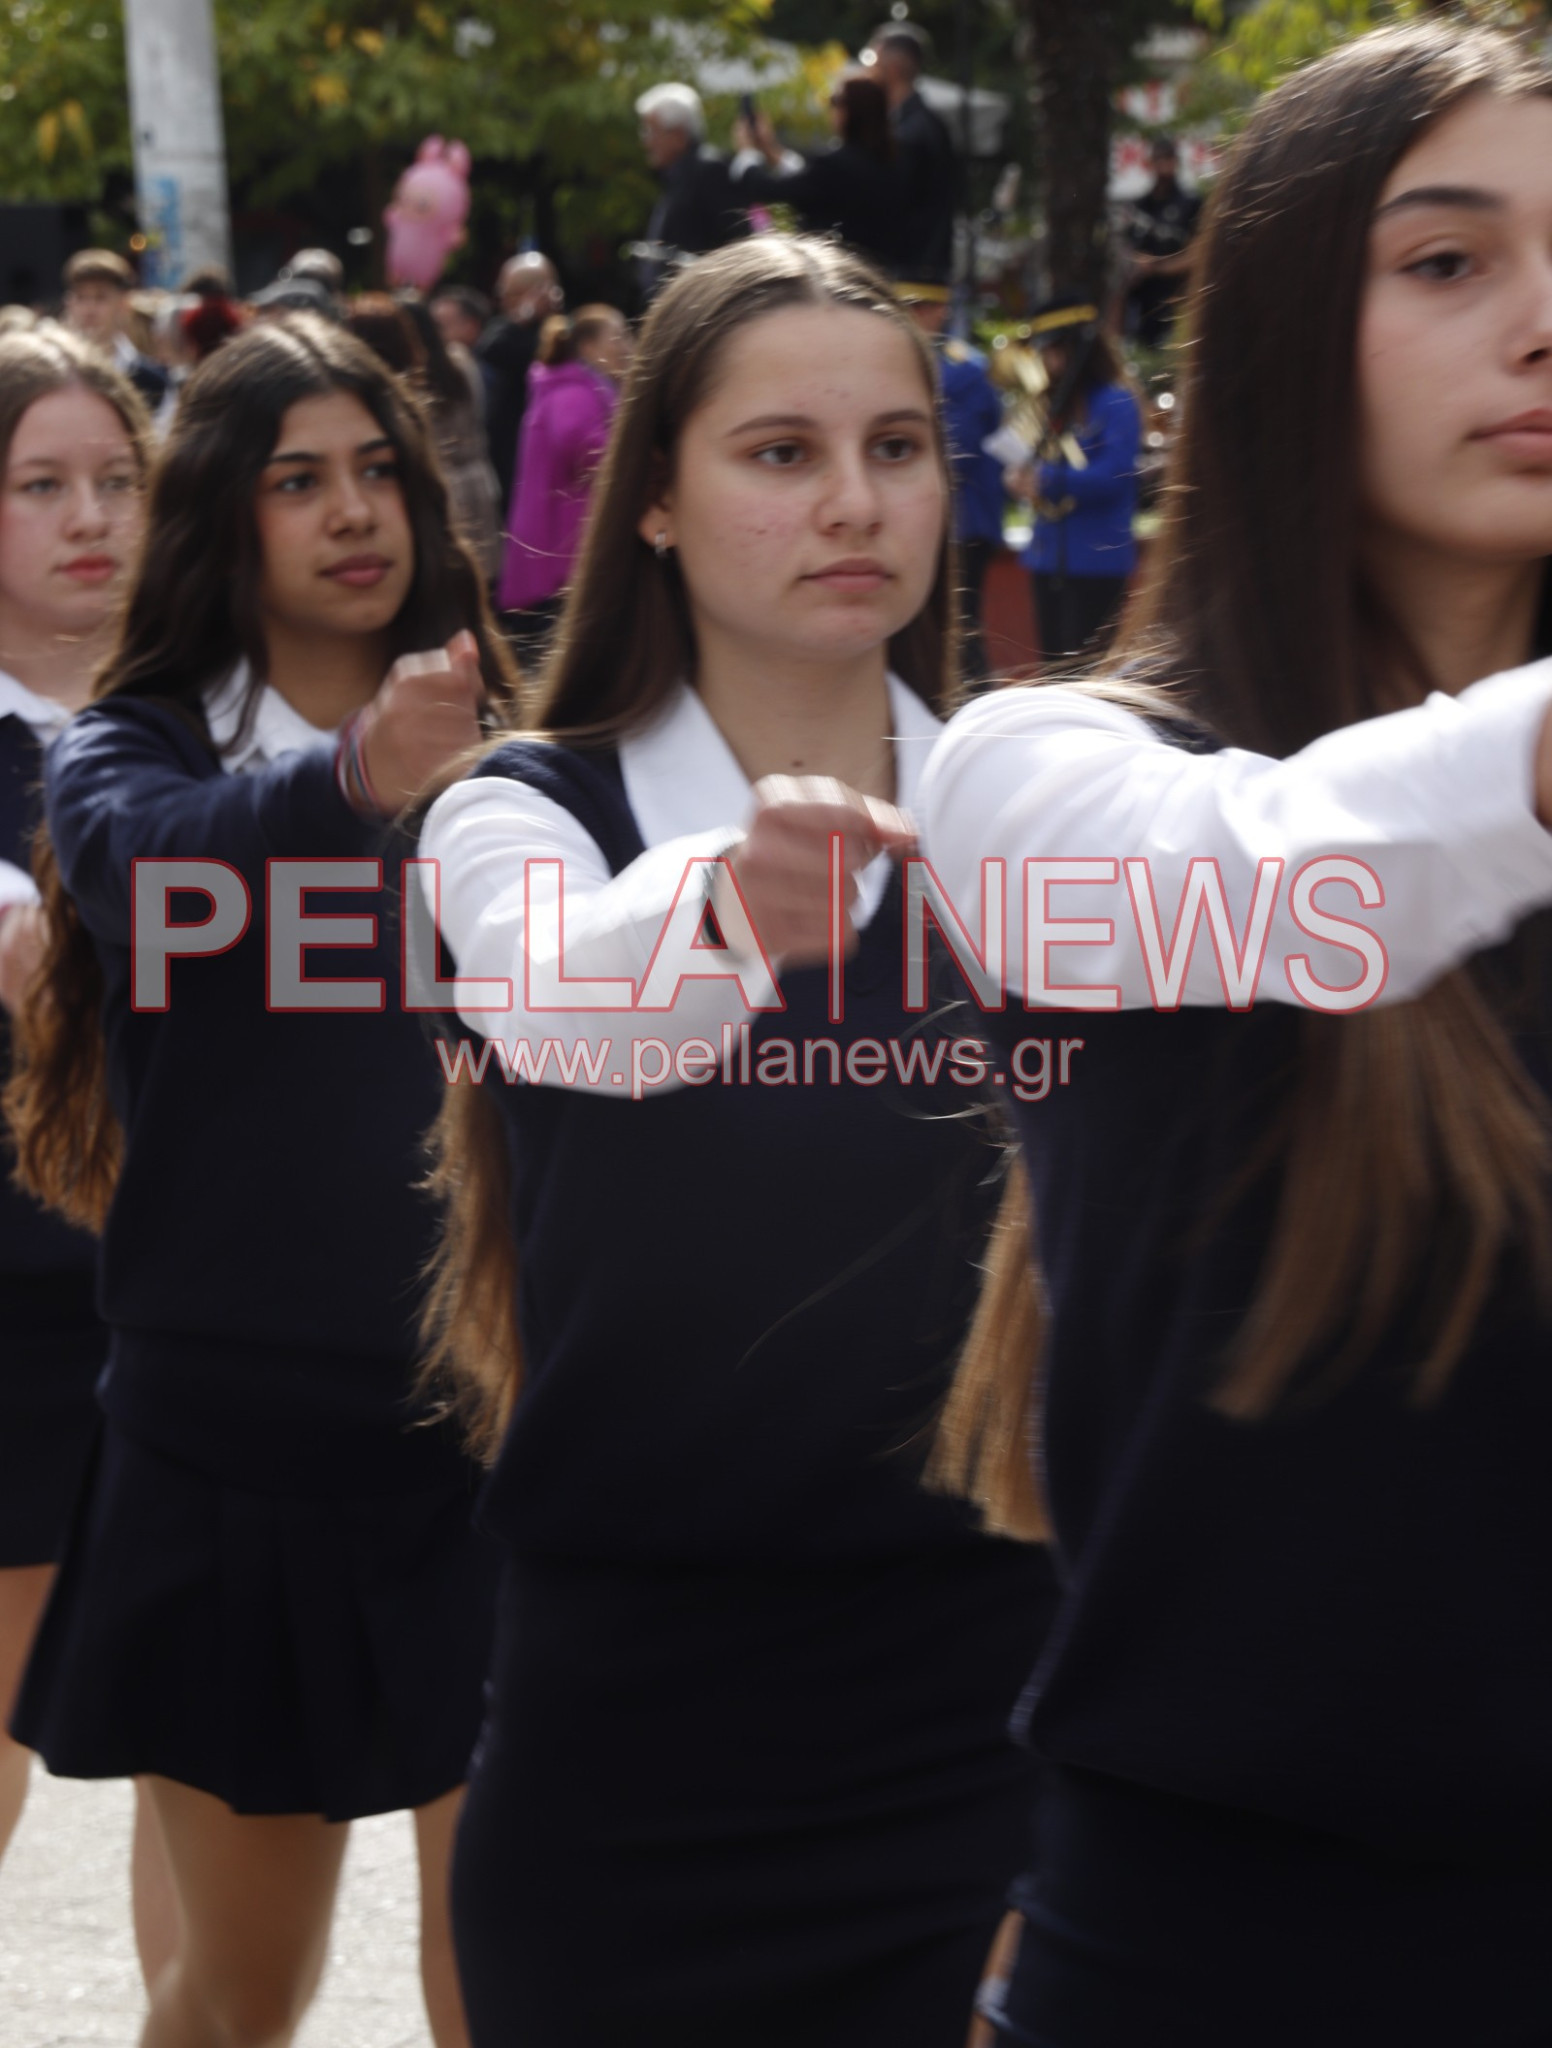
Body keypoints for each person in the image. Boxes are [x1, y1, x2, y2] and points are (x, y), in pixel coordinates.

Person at [919, 25, 1552, 2047]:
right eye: (1445, 262)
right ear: (1278, 326)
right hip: (1217, 1959)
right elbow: (1288, 889)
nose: (1539, 326)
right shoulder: (1040, 775)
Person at [418, 235, 1054, 2048]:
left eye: (898, 447)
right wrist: (725, 896)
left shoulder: (1057, 803)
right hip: (627, 1738)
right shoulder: (522, 808)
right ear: (656, 508)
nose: (854, 499)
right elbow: (553, 998)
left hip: (997, 1725)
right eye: (779, 453)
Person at [6, 314, 515, 2048]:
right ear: (225, 513)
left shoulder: (519, 741)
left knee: (504, 1980)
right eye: (297, 480)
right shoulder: (122, 750)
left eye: (379, 469)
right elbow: (152, 885)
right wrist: (354, 776)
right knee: (237, 1996)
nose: (352, 511)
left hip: (491, 1449)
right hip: (225, 1447)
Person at [0, 328, 146, 1875]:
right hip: (18, 1311)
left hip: (198, 1307)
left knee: (210, 1779)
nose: (92, 516)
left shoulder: (212, 733)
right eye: (42, 484)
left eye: (116, 477)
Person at [1008, 295, 1140, 663]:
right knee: (1053, 670)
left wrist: (1045, 478)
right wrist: (1019, 478)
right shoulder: (1052, 407)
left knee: (1090, 674)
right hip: (1049, 556)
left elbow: (1114, 475)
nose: (1047, 362)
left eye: (1055, 351)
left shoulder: (1116, 401)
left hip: (1096, 560)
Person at [496, 304, 629, 651]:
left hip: (560, 545)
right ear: (588, 348)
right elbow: (584, 447)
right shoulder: (575, 391)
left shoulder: (576, 386)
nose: (626, 345)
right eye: (617, 336)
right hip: (563, 548)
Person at [900, 278, 1005, 683]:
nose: (907, 317)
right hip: (933, 517)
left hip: (966, 521)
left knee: (960, 623)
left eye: (918, 307)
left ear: (938, 311)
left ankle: (974, 708)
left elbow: (953, 447)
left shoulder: (965, 371)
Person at [730, 71, 903, 277]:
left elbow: (770, 189)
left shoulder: (836, 164)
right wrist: (771, 150)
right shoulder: (890, 161)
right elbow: (810, 183)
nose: (831, 109)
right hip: (878, 274)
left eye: (835, 101)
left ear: (849, 111)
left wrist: (747, 153)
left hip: (837, 275)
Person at [398, 292, 503, 584]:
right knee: (482, 580)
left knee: (452, 578)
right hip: (480, 478)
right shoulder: (461, 362)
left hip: (445, 486)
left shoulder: (412, 380)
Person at [634, 82, 747, 299]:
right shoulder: (676, 176)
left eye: (650, 131)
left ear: (678, 134)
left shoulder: (708, 169)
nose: (645, 142)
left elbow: (735, 241)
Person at [864, 24, 956, 282]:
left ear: (892, 68)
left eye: (871, 60)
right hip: (917, 271)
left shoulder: (911, 132)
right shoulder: (920, 123)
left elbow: (893, 205)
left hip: (911, 276)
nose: (867, 71)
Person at [475, 252, 563, 516]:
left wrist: (528, 311)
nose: (503, 301)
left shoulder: (559, 335)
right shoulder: (512, 331)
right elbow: (489, 348)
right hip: (507, 458)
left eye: (510, 293)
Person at [61, 250, 170, 410]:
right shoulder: (54, 374)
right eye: (80, 297)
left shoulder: (152, 381)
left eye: (101, 298)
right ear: (69, 303)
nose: (89, 309)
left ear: (123, 304)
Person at [1123, 136, 1202, 349]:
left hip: (1178, 302)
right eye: (1159, 159)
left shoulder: (1191, 203)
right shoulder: (1139, 206)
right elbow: (1128, 249)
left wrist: (1157, 266)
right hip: (1142, 305)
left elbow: (1197, 254)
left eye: (1168, 159)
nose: (1164, 165)